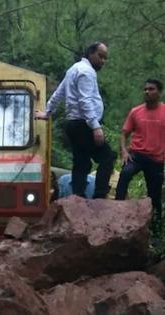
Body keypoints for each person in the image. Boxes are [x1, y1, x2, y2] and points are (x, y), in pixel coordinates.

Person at [35, 42, 117, 198]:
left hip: (73, 124)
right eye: (100, 56)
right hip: (83, 124)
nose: (103, 61)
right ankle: (99, 196)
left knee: (81, 162)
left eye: (105, 58)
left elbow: (59, 92)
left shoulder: (74, 69)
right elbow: (84, 100)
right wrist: (95, 127)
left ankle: (77, 196)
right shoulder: (86, 72)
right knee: (107, 156)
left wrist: (48, 112)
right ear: (90, 53)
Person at [115, 79, 165, 236]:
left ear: (159, 92)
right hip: (136, 155)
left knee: (154, 196)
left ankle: (156, 231)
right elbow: (124, 134)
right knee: (124, 175)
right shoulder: (135, 111)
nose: (147, 92)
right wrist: (124, 152)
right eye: (145, 89)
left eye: (151, 89)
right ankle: (115, 215)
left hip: (156, 159)